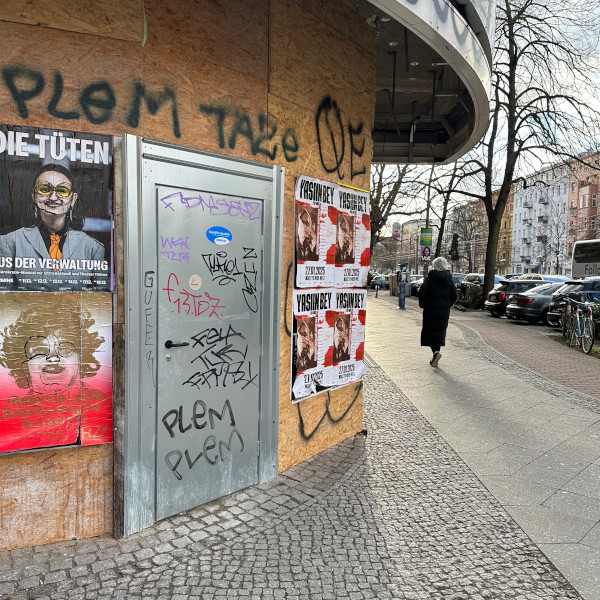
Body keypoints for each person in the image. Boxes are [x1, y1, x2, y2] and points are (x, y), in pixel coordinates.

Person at [0, 163, 107, 291]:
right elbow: (3, 299)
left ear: (73, 199)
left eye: (62, 191)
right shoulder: (9, 243)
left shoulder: (93, 248)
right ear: (34, 195)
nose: (53, 197)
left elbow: (102, 302)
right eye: (44, 189)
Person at [0, 300, 104, 394]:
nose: (53, 358)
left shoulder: (104, 405)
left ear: (82, 357)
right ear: (23, 361)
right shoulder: (12, 412)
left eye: (65, 349)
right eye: (40, 349)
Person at [418, 256, 457, 367]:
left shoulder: (429, 279)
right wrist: (447, 305)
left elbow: (423, 293)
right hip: (443, 311)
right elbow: (455, 295)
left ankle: (435, 352)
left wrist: (423, 305)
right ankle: (436, 352)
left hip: (431, 311)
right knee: (440, 332)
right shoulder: (449, 279)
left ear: (434, 266)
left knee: (430, 332)